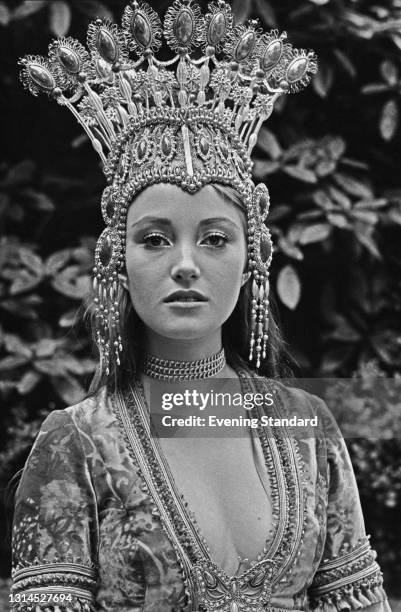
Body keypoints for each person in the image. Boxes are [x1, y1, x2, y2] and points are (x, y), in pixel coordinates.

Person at [11, 1, 391, 611]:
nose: (185, 263)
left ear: (252, 259)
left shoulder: (307, 428)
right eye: (155, 238)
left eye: (215, 238)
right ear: (116, 259)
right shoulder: (76, 443)